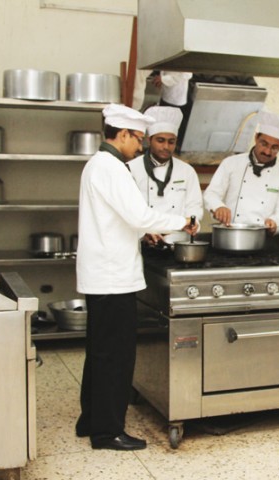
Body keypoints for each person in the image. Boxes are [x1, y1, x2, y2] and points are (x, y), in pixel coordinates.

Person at [75, 104, 198, 451]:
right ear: (123, 134)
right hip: (112, 276)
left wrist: (142, 231)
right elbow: (138, 214)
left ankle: (91, 421)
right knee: (116, 357)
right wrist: (182, 221)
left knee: (99, 352)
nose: (140, 146)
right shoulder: (112, 168)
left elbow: (120, 218)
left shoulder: (97, 165)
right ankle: (107, 431)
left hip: (103, 273)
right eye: (138, 138)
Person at [203, 109, 279, 235]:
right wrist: (219, 206)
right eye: (264, 144)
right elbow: (211, 193)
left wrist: (275, 221)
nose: (268, 152)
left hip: (263, 238)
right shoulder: (231, 163)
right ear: (256, 137)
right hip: (231, 234)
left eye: (275, 148)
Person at [127, 105, 203, 244]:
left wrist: (193, 222)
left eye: (171, 142)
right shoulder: (131, 169)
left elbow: (194, 206)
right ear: (149, 140)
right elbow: (130, 211)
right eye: (160, 140)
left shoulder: (187, 171)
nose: (166, 147)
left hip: (178, 243)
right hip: (144, 242)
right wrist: (144, 233)